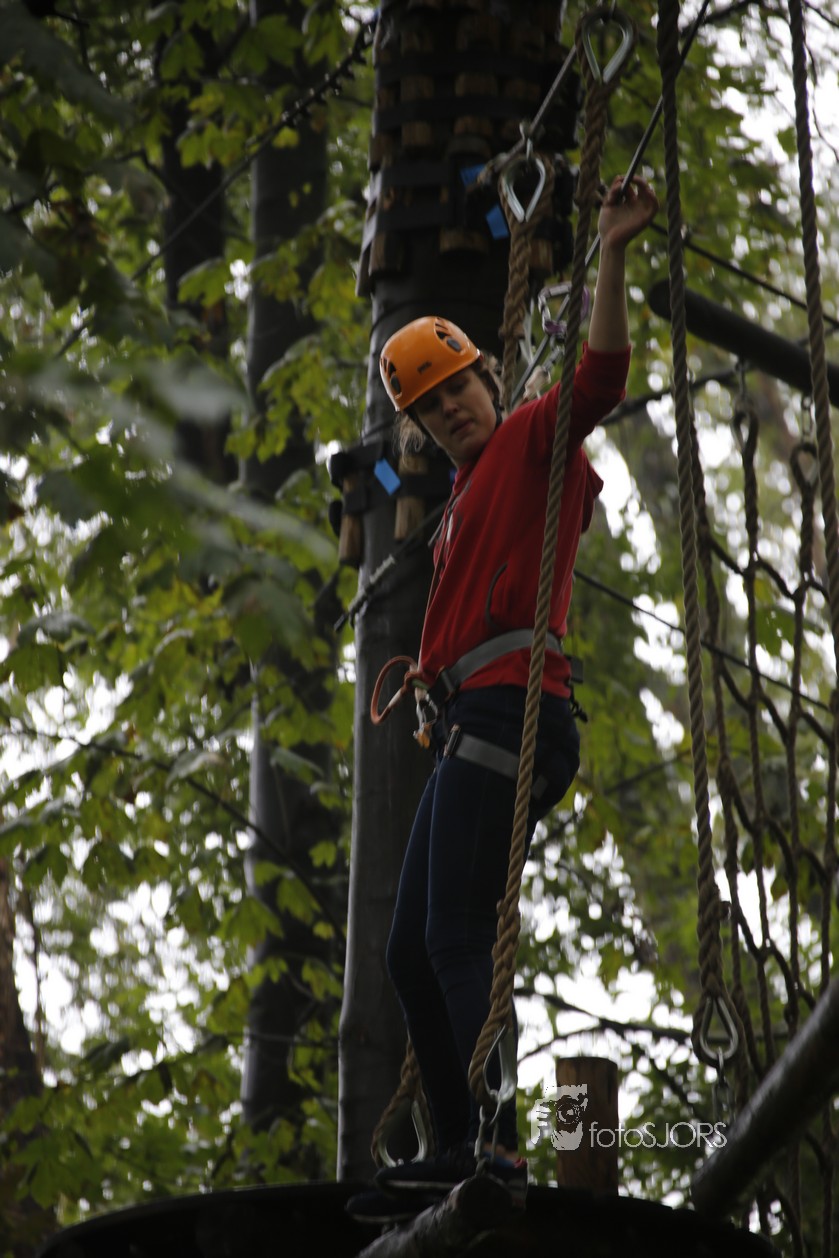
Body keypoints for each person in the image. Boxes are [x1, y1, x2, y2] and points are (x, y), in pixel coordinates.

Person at [369, 175, 659, 1209]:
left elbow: (600, 376)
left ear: (489, 378)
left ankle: (492, 1141)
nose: (449, 410)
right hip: (469, 720)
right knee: (408, 952)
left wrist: (610, 250)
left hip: (510, 707)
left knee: (453, 933)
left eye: (457, 387)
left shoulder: (532, 437)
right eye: (429, 406)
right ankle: (456, 1141)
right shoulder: (457, 503)